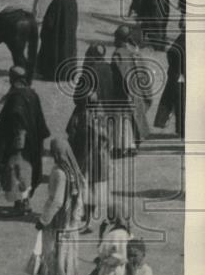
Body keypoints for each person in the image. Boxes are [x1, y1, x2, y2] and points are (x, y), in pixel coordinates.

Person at [0, 66, 50, 213]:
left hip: (19, 144)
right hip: (32, 143)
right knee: (26, 172)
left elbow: (18, 123)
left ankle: (20, 206)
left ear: (12, 79)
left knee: (16, 173)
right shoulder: (32, 94)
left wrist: (17, 146)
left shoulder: (16, 98)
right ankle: (25, 202)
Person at [28, 138, 85, 275]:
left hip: (57, 220)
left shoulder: (60, 173)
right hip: (70, 220)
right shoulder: (73, 170)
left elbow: (57, 201)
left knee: (49, 249)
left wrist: (43, 220)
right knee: (67, 251)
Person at [66, 43, 113, 225]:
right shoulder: (109, 69)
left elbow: (77, 97)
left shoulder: (89, 71)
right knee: (97, 172)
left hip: (86, 124)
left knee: (80, 169)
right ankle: (91, 212)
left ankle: (81, 211)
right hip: (105, 123)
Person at [107, 24, 151, 155]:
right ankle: (132, 147)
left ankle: (121, 149)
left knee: (121, 123)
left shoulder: (118, 54)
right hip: (135, 92)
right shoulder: (135, 52)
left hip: (123, 93)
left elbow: (118, 75)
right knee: (132, 121)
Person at [37, 0, 78, 80]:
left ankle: (52, 74)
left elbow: (50, 21)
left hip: (56, 35)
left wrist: (44, 32)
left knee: (54, 51)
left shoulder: (58, 0)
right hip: (69, 33)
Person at [153, 28, 185, 137]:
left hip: (177, 74)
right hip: (179, 75)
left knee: (175, 100)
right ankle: (181, 129)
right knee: (180, 102)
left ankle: (177, 128)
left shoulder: (182, 38)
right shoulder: (184, 38)